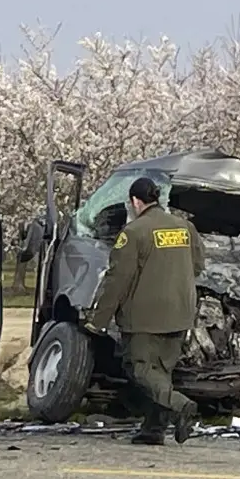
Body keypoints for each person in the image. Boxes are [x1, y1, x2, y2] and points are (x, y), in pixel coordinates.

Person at [85, 177, 205, 445]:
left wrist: (98, 321)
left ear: (136, 202)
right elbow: (197, 265)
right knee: (161, 372)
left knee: (140, 369)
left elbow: (117, 280)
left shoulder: (134, 232)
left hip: (145, 316)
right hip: (181, 312)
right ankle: (154, 429)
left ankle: (180, 405)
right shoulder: (185, 228)